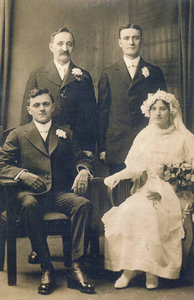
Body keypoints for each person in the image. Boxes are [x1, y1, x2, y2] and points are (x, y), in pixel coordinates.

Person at [0, 87, 95, 295]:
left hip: (58, 194)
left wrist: (84, 171)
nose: (41, 109)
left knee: (83, 204)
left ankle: (76, 267)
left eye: (45, 104)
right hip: (29, 194)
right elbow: (2, 164)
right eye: (36, 105)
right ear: (29, 109)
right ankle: (46, 267)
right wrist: (22, 174)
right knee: (28, 203)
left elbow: (81, 158)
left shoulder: (65, 133)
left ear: (52, 107)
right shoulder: (17, 134)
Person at [102, 90, 194, 289]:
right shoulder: (145, 135)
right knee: (129, 210)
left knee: (151, 212)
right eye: (154, 109)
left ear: (171, 111)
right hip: (148, 188)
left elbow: (190, 169)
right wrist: (117, 176)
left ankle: (152, 271)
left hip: (174, 191)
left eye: (163, 109)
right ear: (148, 111)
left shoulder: (183, 138)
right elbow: (135, 167)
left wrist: (176, 183)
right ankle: (130, 269)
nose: (158, 113)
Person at [98, 24, 167, 175]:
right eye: (126, 38)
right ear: (119, 42)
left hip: (148, 144)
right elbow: (103, 112)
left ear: (142, 41)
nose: (131, 42)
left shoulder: (155, 72)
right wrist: (102, 147)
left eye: (135, 38)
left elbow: (163, 110)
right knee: (118, 192)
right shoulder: (108, 73)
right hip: (117, 145)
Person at [20, 27, 97, 157]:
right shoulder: (38, 74)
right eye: (60, 44)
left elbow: (90, 115)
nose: (65, 48)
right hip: (44, 142)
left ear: (73, 47)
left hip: (76, 143)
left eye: (69, 44)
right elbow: (26, 112)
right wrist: (25, 144)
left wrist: (88, 146)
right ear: (51, 47)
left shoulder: (84, 76)